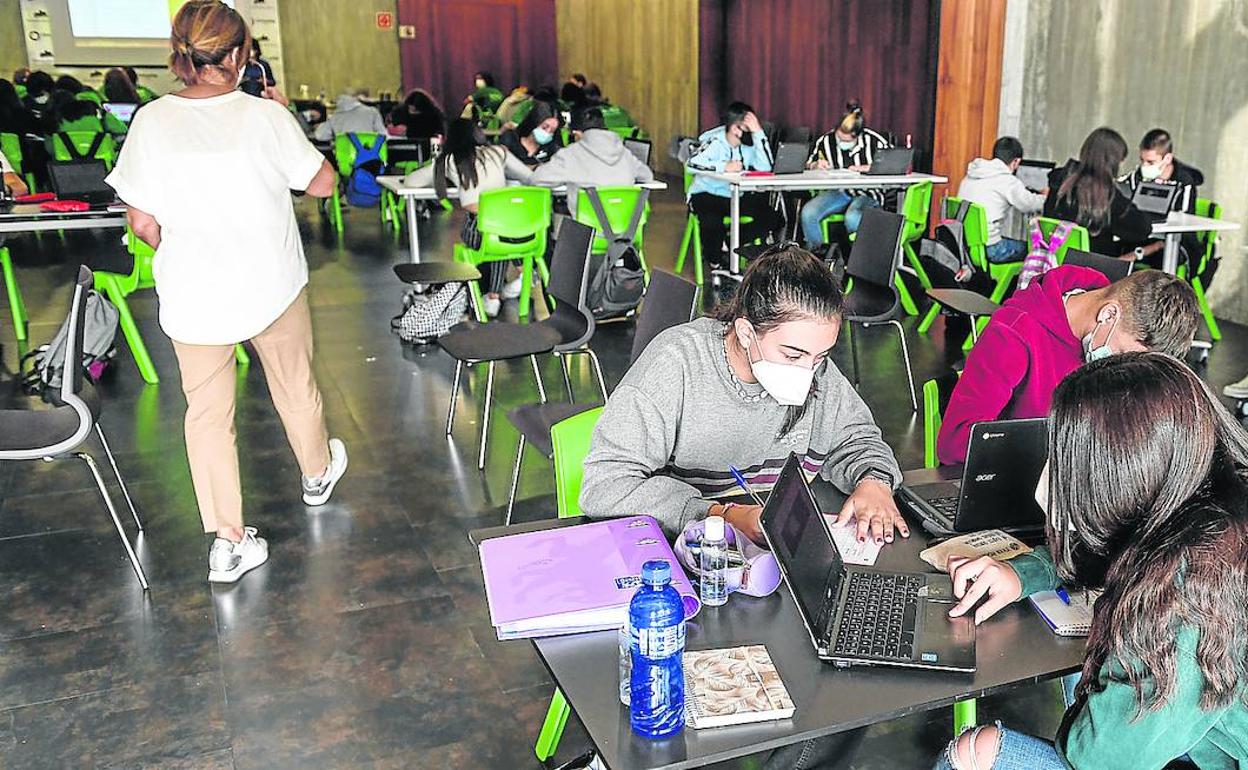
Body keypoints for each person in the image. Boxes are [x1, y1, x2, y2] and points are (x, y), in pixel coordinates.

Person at [582, 245, 905, 769]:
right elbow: (605, 483)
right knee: (689, 714)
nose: (811, 372)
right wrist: (720, 515)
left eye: (822, 356)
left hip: (764, 574)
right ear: (747, 329)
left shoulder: (813, 373)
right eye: (795, 356)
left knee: (851, 683)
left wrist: (873, 480)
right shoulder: (678, 364)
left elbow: (857, 436)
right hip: (680, 583)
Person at [105, 0, 348, 584]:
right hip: (272, 283)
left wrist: (187, 245)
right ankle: (316, 475)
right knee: (294, 385)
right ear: (242, 55)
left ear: (180, 55)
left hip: (195, 293)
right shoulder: (265, 118)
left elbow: (141, 224)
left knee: (207, 416)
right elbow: (322, 184)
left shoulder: (152, 121)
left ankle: (229, 541)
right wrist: (286, 118)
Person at [933, 352, 1248, 770]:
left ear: (1123, 472)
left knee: (977, 751)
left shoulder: (1188, 594)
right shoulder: (1212, 504)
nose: (1052, 476)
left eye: (1065, 459)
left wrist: (1106, 662)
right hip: (1203, 739)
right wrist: (1023, 572)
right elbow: (1113, 544)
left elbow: (1100, 758)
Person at [936, 266, 1198, 465]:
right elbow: (955, 444)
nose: (1123, 369)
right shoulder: (1014, 333)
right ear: (1108, 314)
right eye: (1122, 355)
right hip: (1019, 483)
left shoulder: (1108, 321)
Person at [404, 117, 533, 318]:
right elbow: (528, 177)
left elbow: (412, 182)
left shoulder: (450, 159)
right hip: (514, 228)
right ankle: (521, 275)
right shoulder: (499, 152)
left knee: (491, 231)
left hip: (478, 230)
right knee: (500, 229)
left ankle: (493, 297)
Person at [686, 101, 776, 271]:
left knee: (772, 217)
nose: (751, 133)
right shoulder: (715, 142)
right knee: (711, 221)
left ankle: (730, 243)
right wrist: (723, 166)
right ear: (735, 129)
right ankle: (715, 261)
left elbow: (766, 167)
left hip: (735, 195)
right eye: (748, 128)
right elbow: (691, 163)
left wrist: (758, 133)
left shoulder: (748, 146)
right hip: (706, 193)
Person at [1043, 126, 1157, 261]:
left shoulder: (1060, 183)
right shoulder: (1108, 196)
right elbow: (1142, 229)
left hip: (1055, 265)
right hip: (1093, 271)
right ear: (1114, 162)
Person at [531, 107, 653, 216]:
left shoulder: (570, 155)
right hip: (624, 231)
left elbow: (537, 179)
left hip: (585, 234)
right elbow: (647, 175)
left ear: (577, 134)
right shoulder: (625, 153)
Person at [800, 100, 892, 244]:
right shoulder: (826, 141)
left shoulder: (874, 141)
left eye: (847, 140)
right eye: (839, 137)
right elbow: (806, 164)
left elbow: (895, 163)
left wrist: (868, 168)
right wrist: (815, 165)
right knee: (808, 213)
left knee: (853, 217)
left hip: (867, 193)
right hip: (838, 192)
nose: (842, 142)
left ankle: (859, 258)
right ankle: (818, 257)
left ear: (857, 136)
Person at [956, 136, 1046, 263]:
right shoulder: (1007, 181)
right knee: (1036, 250)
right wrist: (1046, 196)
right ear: (1016, 162)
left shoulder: (972, 174)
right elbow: (1029, 204)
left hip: (964, 243)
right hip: (991, 248)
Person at [499, 99, 562, 166]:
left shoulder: (551, 150)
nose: (547, 132)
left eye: (552, 131)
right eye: (544, 127)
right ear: (534, 123)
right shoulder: (510, 139)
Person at [313, 88, 386, 141]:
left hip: (344, 160)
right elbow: (384, 135)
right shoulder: (372, 112)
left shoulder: (334, 117)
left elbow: (319, 135)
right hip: (371, 158)